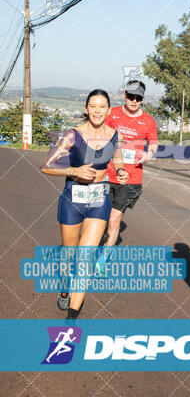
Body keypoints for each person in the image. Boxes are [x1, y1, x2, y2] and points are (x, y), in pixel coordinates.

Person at [41, 89, 128, 319]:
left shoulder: (114, 135)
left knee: (85, 259)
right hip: (72, 199)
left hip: (99, 200)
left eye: (102, 107)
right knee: (69, 256)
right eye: (93, 106)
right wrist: (74, 170)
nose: (97, 111)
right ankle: (64, 288)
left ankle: (71, 320)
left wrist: (120, 170)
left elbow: (116, 156)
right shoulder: (72, 135)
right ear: (86, 109)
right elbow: (47, 165)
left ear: (108, 110)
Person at [103, 79, 158, 248]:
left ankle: (102, 261)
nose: (134, 101)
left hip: (130, 179)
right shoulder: (112, 114)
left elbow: (154, 144)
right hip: (106, 174)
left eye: (138, 98)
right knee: (101, 219)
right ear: (124, 95)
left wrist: (150, 153)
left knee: (113, 219)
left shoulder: (148, 121)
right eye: (131, 96)